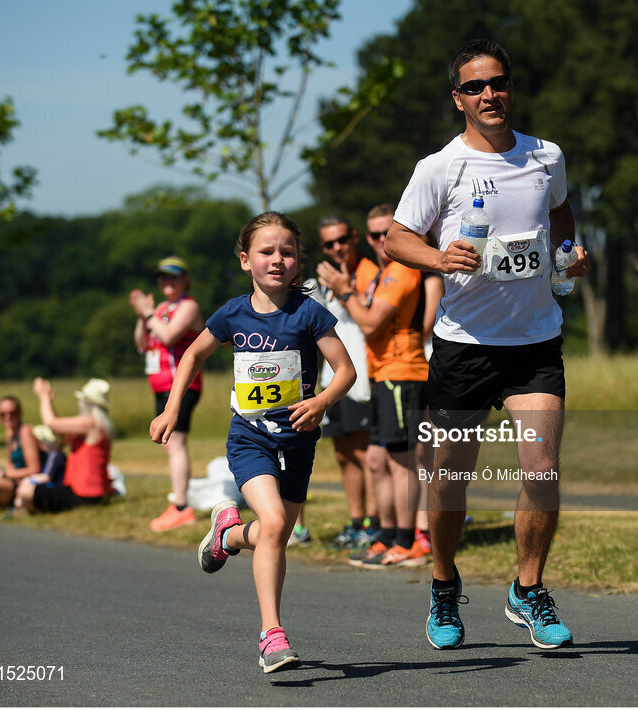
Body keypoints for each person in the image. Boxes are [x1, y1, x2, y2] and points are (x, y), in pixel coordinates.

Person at [384, 39, 590, 650]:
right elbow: (397, 239)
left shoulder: (544, 155)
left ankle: (528, 590)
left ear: (510, 87)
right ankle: (444, 584)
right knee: (447, 479)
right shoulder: (440, 168)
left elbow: (560, 211)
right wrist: (438, 256)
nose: (489, 95)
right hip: (463, 344)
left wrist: (565, 261)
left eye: (497, 83)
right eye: (474, 88)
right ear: (458, 100)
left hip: (534, 340)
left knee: (542, 468)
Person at [150, 211, 355, 675]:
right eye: (266, 251)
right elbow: (191, 356)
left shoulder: (310, 314)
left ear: (299, 260)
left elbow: (346, 370)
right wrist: (171, 409)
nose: (277, 259)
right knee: (277, 520)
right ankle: (271, 635)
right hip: (250, 437)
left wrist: (321, 400)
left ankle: (228, 533)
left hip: (299, 439)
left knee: (274, 533)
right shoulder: (232, 314)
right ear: (246, 260)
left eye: (287, 251)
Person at [318, 203, 431, 569]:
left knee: (402, 464)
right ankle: (386, 535)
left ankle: (408, 539)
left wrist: (342, 289)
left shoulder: (402, 270)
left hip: (403, 372)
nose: (383, 240)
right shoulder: (382, 272)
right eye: (376, 235)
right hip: (382, 374)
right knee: (379, 460)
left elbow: (368, 324)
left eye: (389, 232)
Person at [312, 214, 380, 550]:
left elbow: (371, 319)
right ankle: (356, 522)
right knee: (343, 454)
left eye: (342, 240)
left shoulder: (369, 271)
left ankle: (374, 522)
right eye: (329, 243)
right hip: (332, 378)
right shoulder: (322, 280)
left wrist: (345, 290)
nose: (337, 248)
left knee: (366, 452)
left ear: (354, 238)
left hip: (363, 374)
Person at [130, 256, 206, 532]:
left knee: (175, 443)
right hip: (161, 385)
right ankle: (179, 502)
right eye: (163, 278)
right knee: (168, 444)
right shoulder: (161, 308)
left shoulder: (189, 306)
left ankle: (182, 507)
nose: (167, 282)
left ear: (185, 279)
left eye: (173, 277)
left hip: (182, 384)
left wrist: (150, 315)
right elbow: (143, 343)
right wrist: (143, 316)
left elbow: (170, 336)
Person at [19, 378, 115, 513]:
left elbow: (51, 423)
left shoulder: (91, 423)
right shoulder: (96, 425)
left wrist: (43, 397)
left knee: (27, 491)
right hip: (85, 492)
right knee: (28, 487)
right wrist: (49, 403)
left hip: (86, 495)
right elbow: (61, 432)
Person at [12, 425, 68, 510]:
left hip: (56, 486)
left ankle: (18, 509)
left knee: (26, 485)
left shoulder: (55, 455)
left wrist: (30, 480)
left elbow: (47, 476)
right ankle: (18, 509)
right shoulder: (48, 455)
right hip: (51, 484)